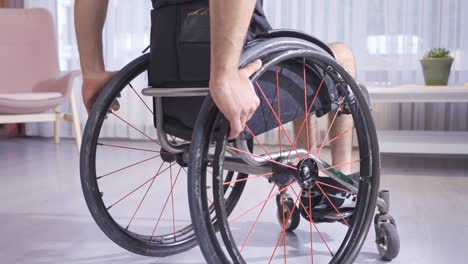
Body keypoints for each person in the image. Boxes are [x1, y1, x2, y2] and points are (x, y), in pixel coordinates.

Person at [74, 0, 355, 175]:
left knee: (299, 60)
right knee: (339, 56)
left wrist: (92, 70)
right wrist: (224, 75)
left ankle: (312, 165)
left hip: (176, 94)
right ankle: (341, 179)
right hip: (235, 86)